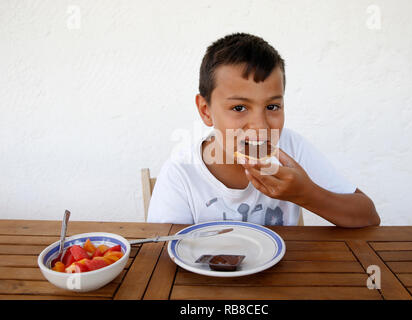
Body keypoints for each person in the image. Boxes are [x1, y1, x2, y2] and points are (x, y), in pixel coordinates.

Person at [147, 32, 380, 227]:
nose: (260, 125)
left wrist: (308, 195)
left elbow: (369, 217)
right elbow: (163, 256)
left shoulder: (292, 149)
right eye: (239, 107)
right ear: (206, 110)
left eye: (272, 106)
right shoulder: (182, 172)